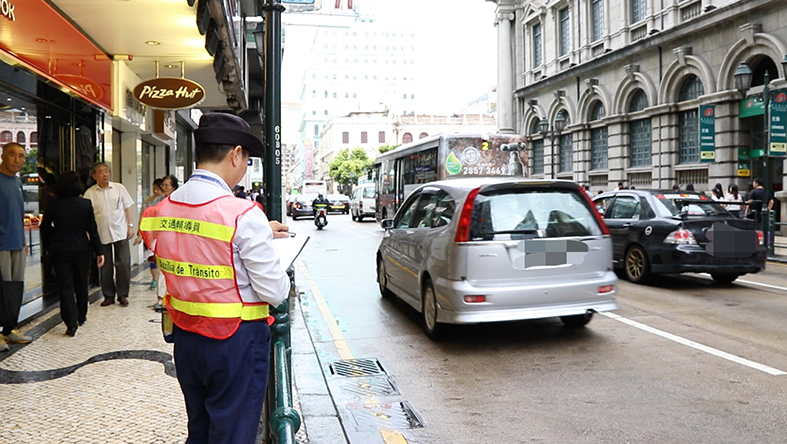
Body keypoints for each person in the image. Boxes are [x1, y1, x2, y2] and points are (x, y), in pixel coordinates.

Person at [140, 113, 290, 444]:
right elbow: (275, 291)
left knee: (201, 430)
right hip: (236, 341)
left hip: (186, 339)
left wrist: (259, 234)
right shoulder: (243, 214)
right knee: (233, 434)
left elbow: (193, 238)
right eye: (247, 159)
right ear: (236, 154)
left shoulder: (159, 211)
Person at [40, 171, 105, 336]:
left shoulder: (54, 204)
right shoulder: (85, 204)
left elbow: (45, 228)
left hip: (60, 250)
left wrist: (50, 244)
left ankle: (70, 323)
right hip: (81, 249)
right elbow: (92, 229)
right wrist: (99, 251)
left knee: (65, 286)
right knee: (81, 283)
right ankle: (81, 316)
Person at [83, 162, 135, 307]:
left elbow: (127, 209)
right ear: (94, 176)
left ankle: (123, 295)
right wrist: (88, 233)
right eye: (101, 172)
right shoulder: (90, 193)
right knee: (105, 266)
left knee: (123, 264)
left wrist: (130, 226)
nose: (105, 174)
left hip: (120, 231)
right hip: (101, 234)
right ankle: (108, 296)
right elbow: (87, 216)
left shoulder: (119, 188)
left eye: (106, 171)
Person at [0, 143, 32, 351]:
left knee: (14, 288)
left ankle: (9, 329)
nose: (17, 160)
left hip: (17, 244)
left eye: (21, 156)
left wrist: (23, 241)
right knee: (1, 290)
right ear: (3, 155)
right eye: (12, 155)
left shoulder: (17, 182)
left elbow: (18, 215)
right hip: (1, 245)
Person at [135, 178, 164, 291]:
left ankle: (163, 281)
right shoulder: (147, 202)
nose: (156, 192)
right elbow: (142, 217)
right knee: (151, 258)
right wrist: (140, 233)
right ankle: (154, 279)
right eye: (154, 189)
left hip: (161, 234)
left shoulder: (165, 201)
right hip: (150, 234)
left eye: (158, 189)